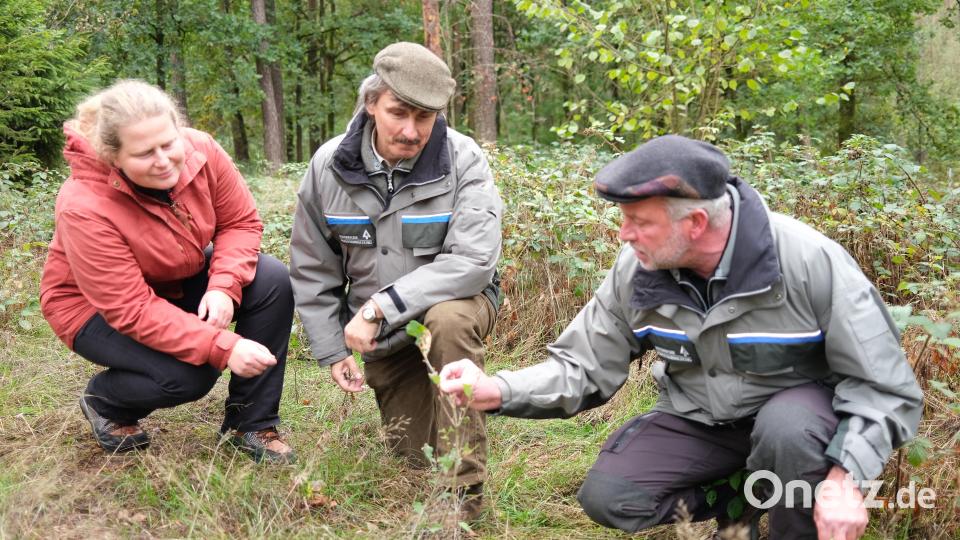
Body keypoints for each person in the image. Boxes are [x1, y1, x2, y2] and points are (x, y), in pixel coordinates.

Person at [439, 135, 923, 539]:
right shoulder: (639, 269)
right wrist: (497, 388)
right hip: (702, 419)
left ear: (694, 223)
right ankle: (745, 500)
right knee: (611, 498)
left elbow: (884, 386)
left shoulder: (807, 261)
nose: (624, 235)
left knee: (788, 429)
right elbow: (582, 366)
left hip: (798, 424)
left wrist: (844, 476)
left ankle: (798, 522)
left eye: (639, 222)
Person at [289, 42, 502, 518]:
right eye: (398, 113)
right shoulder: (328, 167)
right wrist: (331, 349)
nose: (410, 131)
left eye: (424, 117)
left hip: (456, 303)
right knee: (412, 452)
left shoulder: (463, 159)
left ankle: (462, 496)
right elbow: (312, 265)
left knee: (446, 322)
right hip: (385, 336)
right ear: (371, 104)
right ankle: (437, 409)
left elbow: (473, 261)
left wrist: (377, 308)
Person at [40, 80, 296, 464]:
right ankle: (106, 402)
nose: (164, 160)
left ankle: (250, 424)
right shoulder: (84, 205)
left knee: (271, 280)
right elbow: (131, 309)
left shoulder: (202, 150)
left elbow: (240, 222)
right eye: (144, 153)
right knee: (189, 374)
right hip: (91, 308)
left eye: (168, 143)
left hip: (172, 277)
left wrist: (224, 287)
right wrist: (222, 346)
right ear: (114, 157)